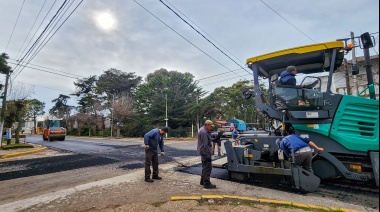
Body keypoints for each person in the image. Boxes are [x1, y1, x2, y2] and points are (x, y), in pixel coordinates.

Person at [197, 120, 217, 189]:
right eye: (211, 126)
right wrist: (208, 155)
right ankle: (206, 183)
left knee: (204, 166)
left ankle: (202, 181)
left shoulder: (202, 130)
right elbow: (205, 145)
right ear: (207, 125)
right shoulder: (204, 132)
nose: (211, 128)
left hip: (202, 151)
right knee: (208, 167)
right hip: (205, 152)